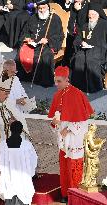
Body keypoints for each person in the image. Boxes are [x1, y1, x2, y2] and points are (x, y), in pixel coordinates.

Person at [48, 66, 94, 203]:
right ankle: (65, 194)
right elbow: (56, 117)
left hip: (74, 140)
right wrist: (55, 123)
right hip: (63, 141)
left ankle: (75, 197)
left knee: (74, 170)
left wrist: (68, 129)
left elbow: (83, 121)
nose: (56, 84)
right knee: (64, 168)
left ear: (67, 80)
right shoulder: (58, 95)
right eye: (55, 81)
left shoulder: (77, 94)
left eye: (59, 81)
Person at [16, 0, 64, 87]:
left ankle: (41, 80)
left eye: (43, 8)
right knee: (22, 51)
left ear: (48, 7)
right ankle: (26, 77)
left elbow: (59, 35)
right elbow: (25, 31)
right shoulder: (33, 17)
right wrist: (27, 38)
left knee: (45, 56)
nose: (41, 10)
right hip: (33, 43)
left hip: (46, 45)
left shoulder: (54, 18)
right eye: (39, 8)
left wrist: (48, 40)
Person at [0, 120, 38, 205]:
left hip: (8, 179)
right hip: (23, 181)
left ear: (10, 130)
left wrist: (0, 176)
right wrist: (29, 174)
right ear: (21, 131)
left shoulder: (1, 145)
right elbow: (33, 161)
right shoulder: (27, 146)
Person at [71, 3, 107, 93]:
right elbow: (78, 39)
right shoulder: (85, 25)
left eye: (93, 14)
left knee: (91, 59)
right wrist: (81, 42)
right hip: (84, 49)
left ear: (98, 14)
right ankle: (78, 87)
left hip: (100, 50)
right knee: (79, 58)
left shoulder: (105, 25)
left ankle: (95, 87)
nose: (91, 17)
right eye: (89, 14)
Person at [62, 0, 89, 66]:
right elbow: (64, 12)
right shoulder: (72, 4)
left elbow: (83, 24)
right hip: (70, 31)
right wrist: (67, 3)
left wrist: (79, 11)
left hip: (82, 33)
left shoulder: (88, 6)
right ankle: (64, 63)